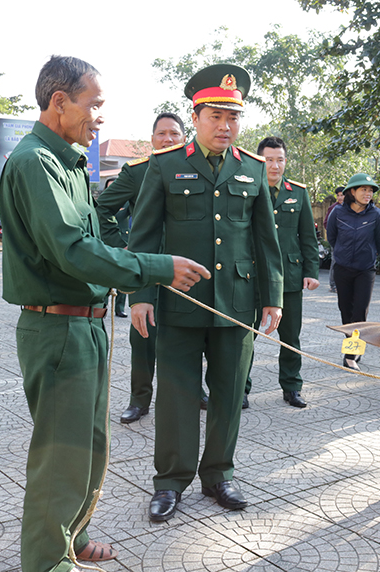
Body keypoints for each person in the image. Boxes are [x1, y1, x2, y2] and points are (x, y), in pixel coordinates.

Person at [0, 55, 208, 572]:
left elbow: (96, 240)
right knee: (60, 456)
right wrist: (156, 268)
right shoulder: (34, 164)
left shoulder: (66, 162)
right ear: (59, 101)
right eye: (94, 105)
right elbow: (73, 250)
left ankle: (74, 536)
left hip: (84, 323)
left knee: (88, 447)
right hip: (58, 326)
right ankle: (48, 562)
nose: (99, 117)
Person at [127, 63, 284, 522]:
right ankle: (170, 481)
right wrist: (140, 294)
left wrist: (272, 297)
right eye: (215, 115)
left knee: (229, 392)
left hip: (235, 303)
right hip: (178, 300)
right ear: (194, 117)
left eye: (233, 117)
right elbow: (145, 235)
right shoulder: (166, 164)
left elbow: (266, 241)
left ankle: (218, 475)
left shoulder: (252, 169)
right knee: (176, 393)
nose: (225, 125)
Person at [96, 112, 188, 424]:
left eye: (174, 134)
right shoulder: (136, 173)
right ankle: (139, 398)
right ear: (152, 139)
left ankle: (191, 391)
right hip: (145, 268)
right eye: (161, 133)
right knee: (143, 336)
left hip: (183, 271)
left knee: (189, 336)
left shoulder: (197, 171)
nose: (168, 139)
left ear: (183, 138)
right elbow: (103, 208)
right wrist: (120, 246)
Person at [246, 136, 319, 408]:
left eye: (280, 160)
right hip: (253, 276)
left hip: (288, 277)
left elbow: (307, 237)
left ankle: (292, 386)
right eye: (269, 160)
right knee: (245, 335)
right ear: (259, 160)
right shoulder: (249, 188)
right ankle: (241, 387)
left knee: (290, 336)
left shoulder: (298, 192)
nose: (275, 166)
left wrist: (311, 271)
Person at [326, 173, 380, 370]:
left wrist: (366, 254)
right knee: (345, 311)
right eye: (364, 189)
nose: (368, 193)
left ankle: (351, 353)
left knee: (359, 311)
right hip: (342, 269)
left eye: (370, 190)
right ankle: (352, 346)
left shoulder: (376, 215)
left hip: (365, 270)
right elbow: (332, 239)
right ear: (352, 192)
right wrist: (343, 254)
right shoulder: (337, 213)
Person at [324, 186, 344, 292]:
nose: (340, 197)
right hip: (336, 239)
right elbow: (326, 223)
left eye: (342, 195)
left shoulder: (351, 207)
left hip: (348, 240)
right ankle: (333, 285)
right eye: (338, 195)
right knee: (335, 261)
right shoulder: (333, 208)